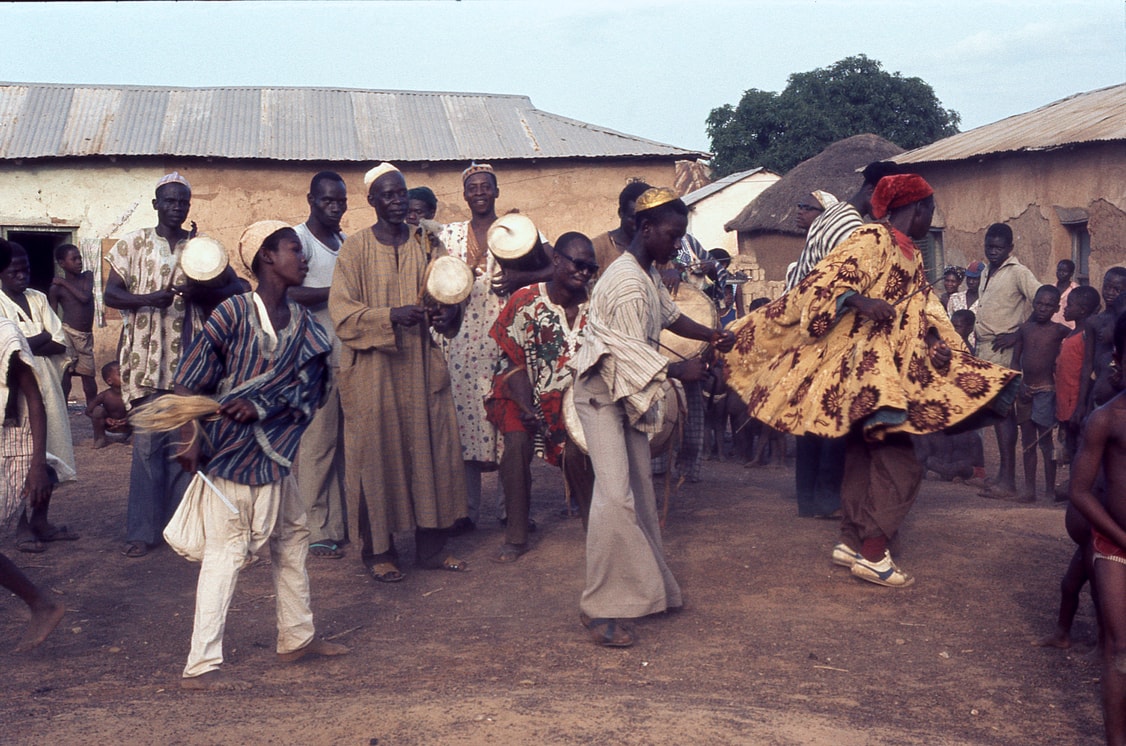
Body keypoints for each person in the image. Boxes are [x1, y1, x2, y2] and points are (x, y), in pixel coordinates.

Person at [724, 175, 1019, 588]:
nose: (930, 220)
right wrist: (863, 301)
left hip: (890, 372)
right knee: (902, 462)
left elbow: (926, 308)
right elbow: (824, 284)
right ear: (916, 210)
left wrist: (937, 342)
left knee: (863, 454)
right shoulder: (871, 240)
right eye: (929, 213)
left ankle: (850, 539)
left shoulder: (911, 256)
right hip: (865, 371)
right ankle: (874, 553)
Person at [171, 221, 347, 691]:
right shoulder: (232, 314)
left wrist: (265, 404)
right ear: (267, 257)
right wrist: (189, 434)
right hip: (233, 454)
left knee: (292, 536)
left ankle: (297, 637)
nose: (302, 257)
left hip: (278, 454)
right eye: (294, 249)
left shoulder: (307, 327)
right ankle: (201, 664)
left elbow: (315, 389)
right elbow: (188, 381)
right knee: (227, 551)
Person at [569, 187, 735, 647]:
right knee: (615, 499)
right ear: (645, 230)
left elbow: (670, 316)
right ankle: (600, 607)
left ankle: (647, 592)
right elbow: (626, 355)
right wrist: (681, 369)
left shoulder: (645, 273)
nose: (678, 245)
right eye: (672, 235)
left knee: (639, 492)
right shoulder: (624, 282)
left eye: (681, 236)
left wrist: (712, 334)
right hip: (602, 396)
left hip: (625, 395)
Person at [329, 162, 468, 583]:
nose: (397, 201)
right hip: (372, 372)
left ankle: (431, 548)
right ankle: (379, 552)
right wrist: (390, 315)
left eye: (401, 193)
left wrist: (448, 315)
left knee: (431, 452)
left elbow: (451, 289)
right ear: (371, 201)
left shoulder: (428, 243)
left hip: (421, 367)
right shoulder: (353, 249)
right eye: (387, 195)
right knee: (376, 454)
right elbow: (343, 313)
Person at [106, 172, 242, 558]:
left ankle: (181, 530)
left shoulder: (200, 249)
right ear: (155, 204)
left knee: (188, 447)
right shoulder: (132, 244)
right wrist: (150, 298)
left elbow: (236, 288)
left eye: (182, 201)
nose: (176, 207)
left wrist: (203, 289)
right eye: (169, 201)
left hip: (190, 366)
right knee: (148, 450)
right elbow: (112, 294)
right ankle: (142, 532)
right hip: (146, 363)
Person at [485, 231, 597, 562]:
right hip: (524, 393)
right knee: (517, 446)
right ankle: (516, 536)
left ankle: (598, 531)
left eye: (591, 267)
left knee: (580, 451)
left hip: (576, 400)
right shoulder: (524, 300)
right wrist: (526, 405)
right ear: (557, 261)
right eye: (578, 264)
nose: (584, 273)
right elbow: (511, 361)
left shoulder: (597, 305)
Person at [438, 163, 518, 531]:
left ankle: (509, 508)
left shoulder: (517, 231)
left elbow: (550, 266)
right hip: (464, 345)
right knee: (464, 424)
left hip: (508, 339)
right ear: (465, 195)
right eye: (473, 187)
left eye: (487, 186)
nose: (480, 192)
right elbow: (435, 278)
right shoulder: (450, 236)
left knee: (509, 422)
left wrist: (517, 277)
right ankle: (465, 512)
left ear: (497, 192)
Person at [1068, 312, 1126, 745]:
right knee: (1119, 647)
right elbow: (1081, 493)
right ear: (1118, 360)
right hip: (1114, 543)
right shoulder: (1107, 418)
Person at [0, 240, 77, 550]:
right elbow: (10, 348)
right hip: (14, 391)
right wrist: (40, 336)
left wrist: (35, 339)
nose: (21, 276)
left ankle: (40, 520)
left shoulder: (39, 298)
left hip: (47, 385)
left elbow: (60, 341)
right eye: (14, 271)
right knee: (18, 458)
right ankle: (21, 527)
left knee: (49, 454)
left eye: (25, 270)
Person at [289, 172, 349, 560]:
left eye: (341, 201)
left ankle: (338, 525)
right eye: (328, 200)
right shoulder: (299, 241)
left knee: (343, 443)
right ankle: (314, 528)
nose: (336, 207)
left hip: (345, 351)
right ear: (311, 199)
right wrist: (337, 292)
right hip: (314, 355)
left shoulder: (343, 241)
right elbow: (289, 291)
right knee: (316, 444)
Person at [0, 314, 65, 652]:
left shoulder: (4, 333)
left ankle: (41, 604)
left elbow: (34, 399)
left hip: (9, 445)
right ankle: (40, 604)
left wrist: (38, 464)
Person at [974, 223, 1041, 499]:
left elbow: (1045, 300)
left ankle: (1009, 481)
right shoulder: (986, 271)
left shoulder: (1019, 273)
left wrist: (1018, 335)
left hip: (1004, 353)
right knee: (997, 414)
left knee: (1004, 414)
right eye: (990, 246)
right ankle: (1003, 475)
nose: (993, 251)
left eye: (999, 247)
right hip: (985, 351)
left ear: (1010, 248)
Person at [1010, 285, 1069, 502]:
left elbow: (1079, 338)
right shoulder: (1025, 330)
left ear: (1056, 309)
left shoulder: (1059, 331)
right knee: (1028, 443)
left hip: (1046, 391)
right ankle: (1029, 490)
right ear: (1033, 304)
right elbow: (1016, 360)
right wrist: (1019, 384)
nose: (1043, 308)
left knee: (1045, 443)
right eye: (1039, 304)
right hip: (1025, 391)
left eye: (1048, 305)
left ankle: (1050, 490)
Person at [48, 243, 97, 408]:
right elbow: (52, 316)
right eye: (73, 259)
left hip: (85, 336)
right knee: (66, 374)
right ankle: (62, 409)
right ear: (62, 263)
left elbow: (84, 298)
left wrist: (63, 282)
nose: (78, 262)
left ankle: (92, 411)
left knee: (88, 375)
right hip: (67, 332)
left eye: (80, 258)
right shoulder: (55, 289)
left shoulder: (87, 277)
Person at [1057, 285, 1101, 465]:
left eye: (1069, 305)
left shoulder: (1085, 335)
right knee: (1070, 445)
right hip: (1065, 400)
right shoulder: (1073, 333)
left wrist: (1080, 406)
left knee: (1078, 446)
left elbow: (1086, 371)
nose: (1065, 308)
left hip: (1075, 401)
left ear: (1082, 310)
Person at [591, 181, 652, 283]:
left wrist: (672, 272)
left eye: (644, 219)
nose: (639, 224)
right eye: (633, 218)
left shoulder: (654, 248)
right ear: (620, 213)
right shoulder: (598, 248)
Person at [85, 361, 131, 448]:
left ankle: (135, 440)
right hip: (109, 426)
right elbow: (88, 411)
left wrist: (127, 419)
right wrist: (106, 419)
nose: (126, 376)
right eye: (120, 374)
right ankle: (100, 438)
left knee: (139, 410)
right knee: (98, 410)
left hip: (128, 426)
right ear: (109, 381)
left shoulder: (132, 394)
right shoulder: (105, 395)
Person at [1051, 259, 1079, 329]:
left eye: (1065, 271)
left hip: (1069, 328)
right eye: (1059, 270)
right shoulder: (1051, 289)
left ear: (1071, 273)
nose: (1061, 273)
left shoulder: (1076, 290)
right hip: (1051, 328)